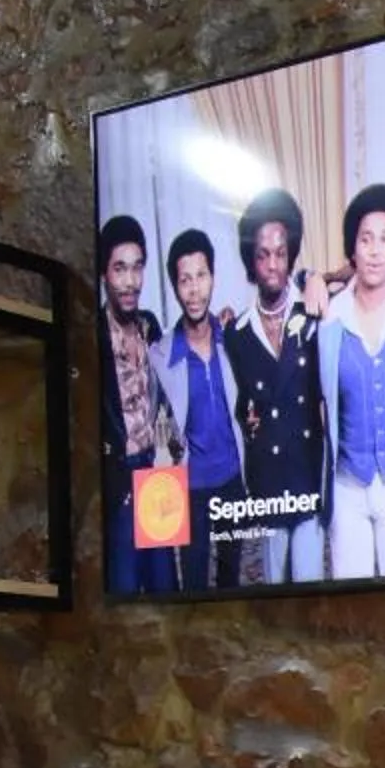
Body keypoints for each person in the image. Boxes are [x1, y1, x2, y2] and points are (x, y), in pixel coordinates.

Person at [315, 185, 385, 579]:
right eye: (366, 239)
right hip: (347, 484)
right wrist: (313, 278)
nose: (375, 251)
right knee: (352, 600)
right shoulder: (330, 316)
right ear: (353, 249)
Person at [224, 188, 328, 585]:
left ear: (291, 255)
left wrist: (315, 277)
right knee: (273, 588)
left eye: (281, 254)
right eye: (263, 255)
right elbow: (237, 403)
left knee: (309, 584)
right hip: (267, 480)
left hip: (307, 474)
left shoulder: (313, 312)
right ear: (251, 260)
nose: (272, 265)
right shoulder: (236, 333)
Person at [149, 228, 241, 592]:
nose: (194, 289)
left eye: (201, 276)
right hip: (191, 487)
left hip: (233, 480)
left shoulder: (232, 338)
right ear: (175, 287)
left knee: (232, 580)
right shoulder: (160, 355)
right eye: (185, 280)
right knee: (195, 585)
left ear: (213, 278)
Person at [96, 214, 179, 594]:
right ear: (104, 274)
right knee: (125, 596)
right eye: (119, 269)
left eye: (137, 267)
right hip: (119, 481)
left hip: (157, 477)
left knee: (166, 592)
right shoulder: (94, 336)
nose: (130, 281)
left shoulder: (150, 326)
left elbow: (167, 397)